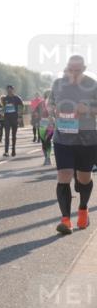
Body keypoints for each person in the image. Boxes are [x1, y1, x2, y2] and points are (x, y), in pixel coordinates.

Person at [50, 55, 97, 235]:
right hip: (63, 138)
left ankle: (83, 209)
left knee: (84, 178)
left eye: (77, 70)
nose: (73, 73)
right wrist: (51, 109)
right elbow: (50, 102)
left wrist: (89, 110)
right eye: (71, 69)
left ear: (84, 69)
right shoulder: (58, 84)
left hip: (87, 139)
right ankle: (66, 220)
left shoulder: (93, 85)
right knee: (64, 174)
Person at [1, 84, 24, 157]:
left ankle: (13, 150)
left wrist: (20, 117)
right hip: (7, 118)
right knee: (7, 135)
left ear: (13, 90)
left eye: (10, 90)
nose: (9, 91)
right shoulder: (5, 99)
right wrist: (1, 112)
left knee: (14, 135)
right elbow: (4, 108)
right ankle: (6, 151)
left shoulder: (17, 98)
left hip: (14, 118)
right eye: (8, 90)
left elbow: (21, 107)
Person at [36, 91, 54, 166]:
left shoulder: (54, 104)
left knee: (48, 140)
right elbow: (35, 112)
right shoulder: (40, 104)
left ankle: (48, 158)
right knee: (44, 142)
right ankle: (46, 158)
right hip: (42, 125)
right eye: (46, 95)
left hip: (50, 125)